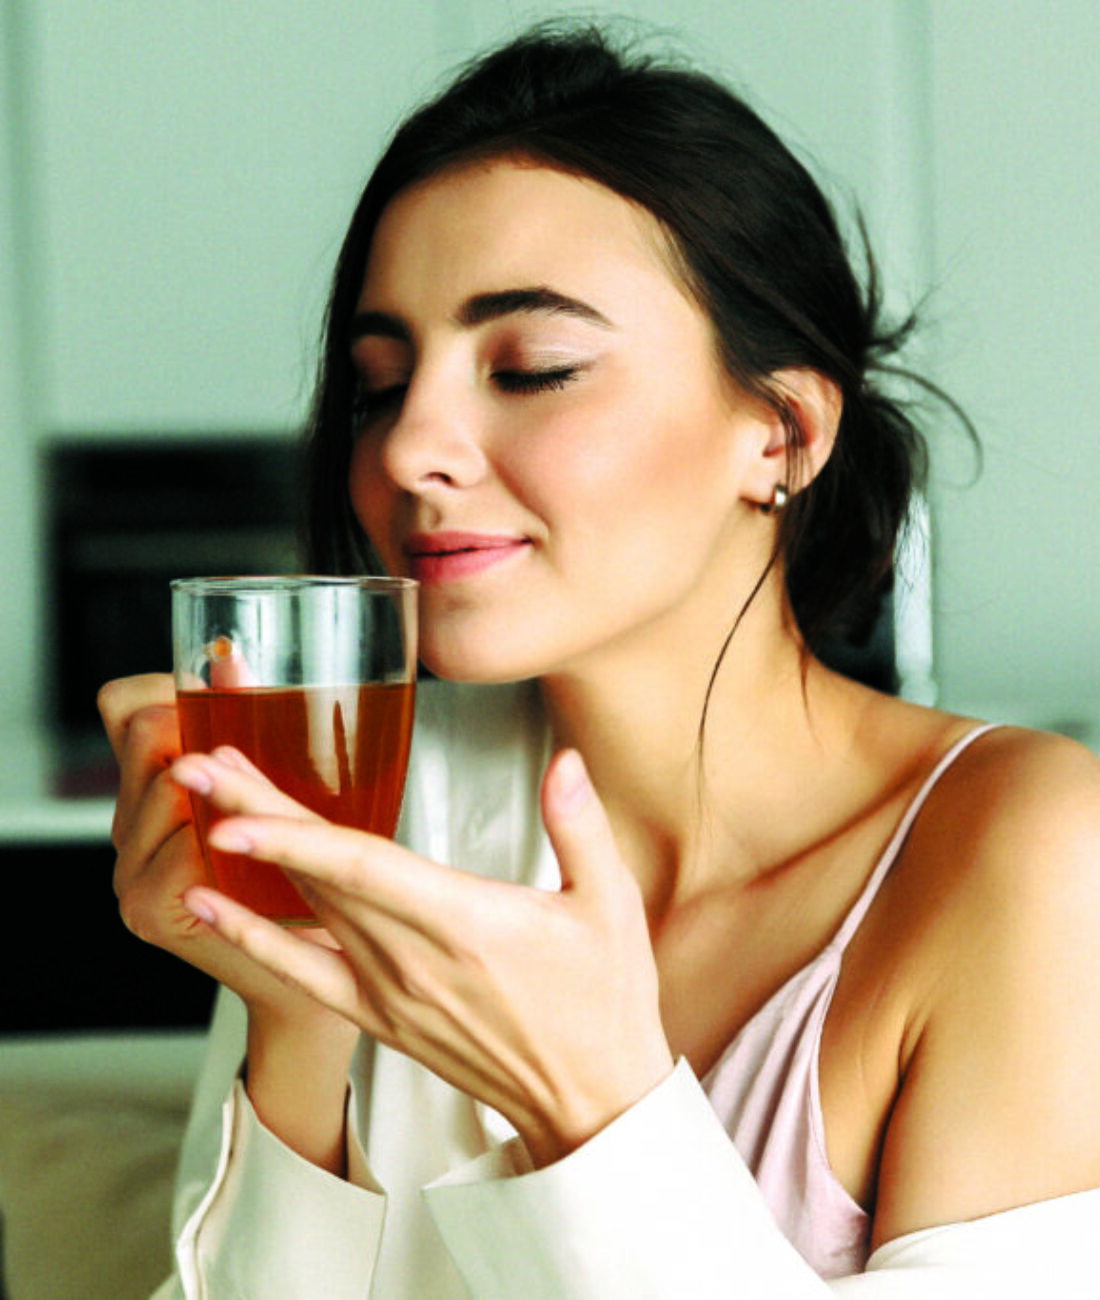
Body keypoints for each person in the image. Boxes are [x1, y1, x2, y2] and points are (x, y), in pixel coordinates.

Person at [97, 23, 1100, 1298]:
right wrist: (294, 1018)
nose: (410, 450)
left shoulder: (1024, 851)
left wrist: (594, 1117)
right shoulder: (376, 803)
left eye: (533, 369)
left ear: (779, 431)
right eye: (375, 387)